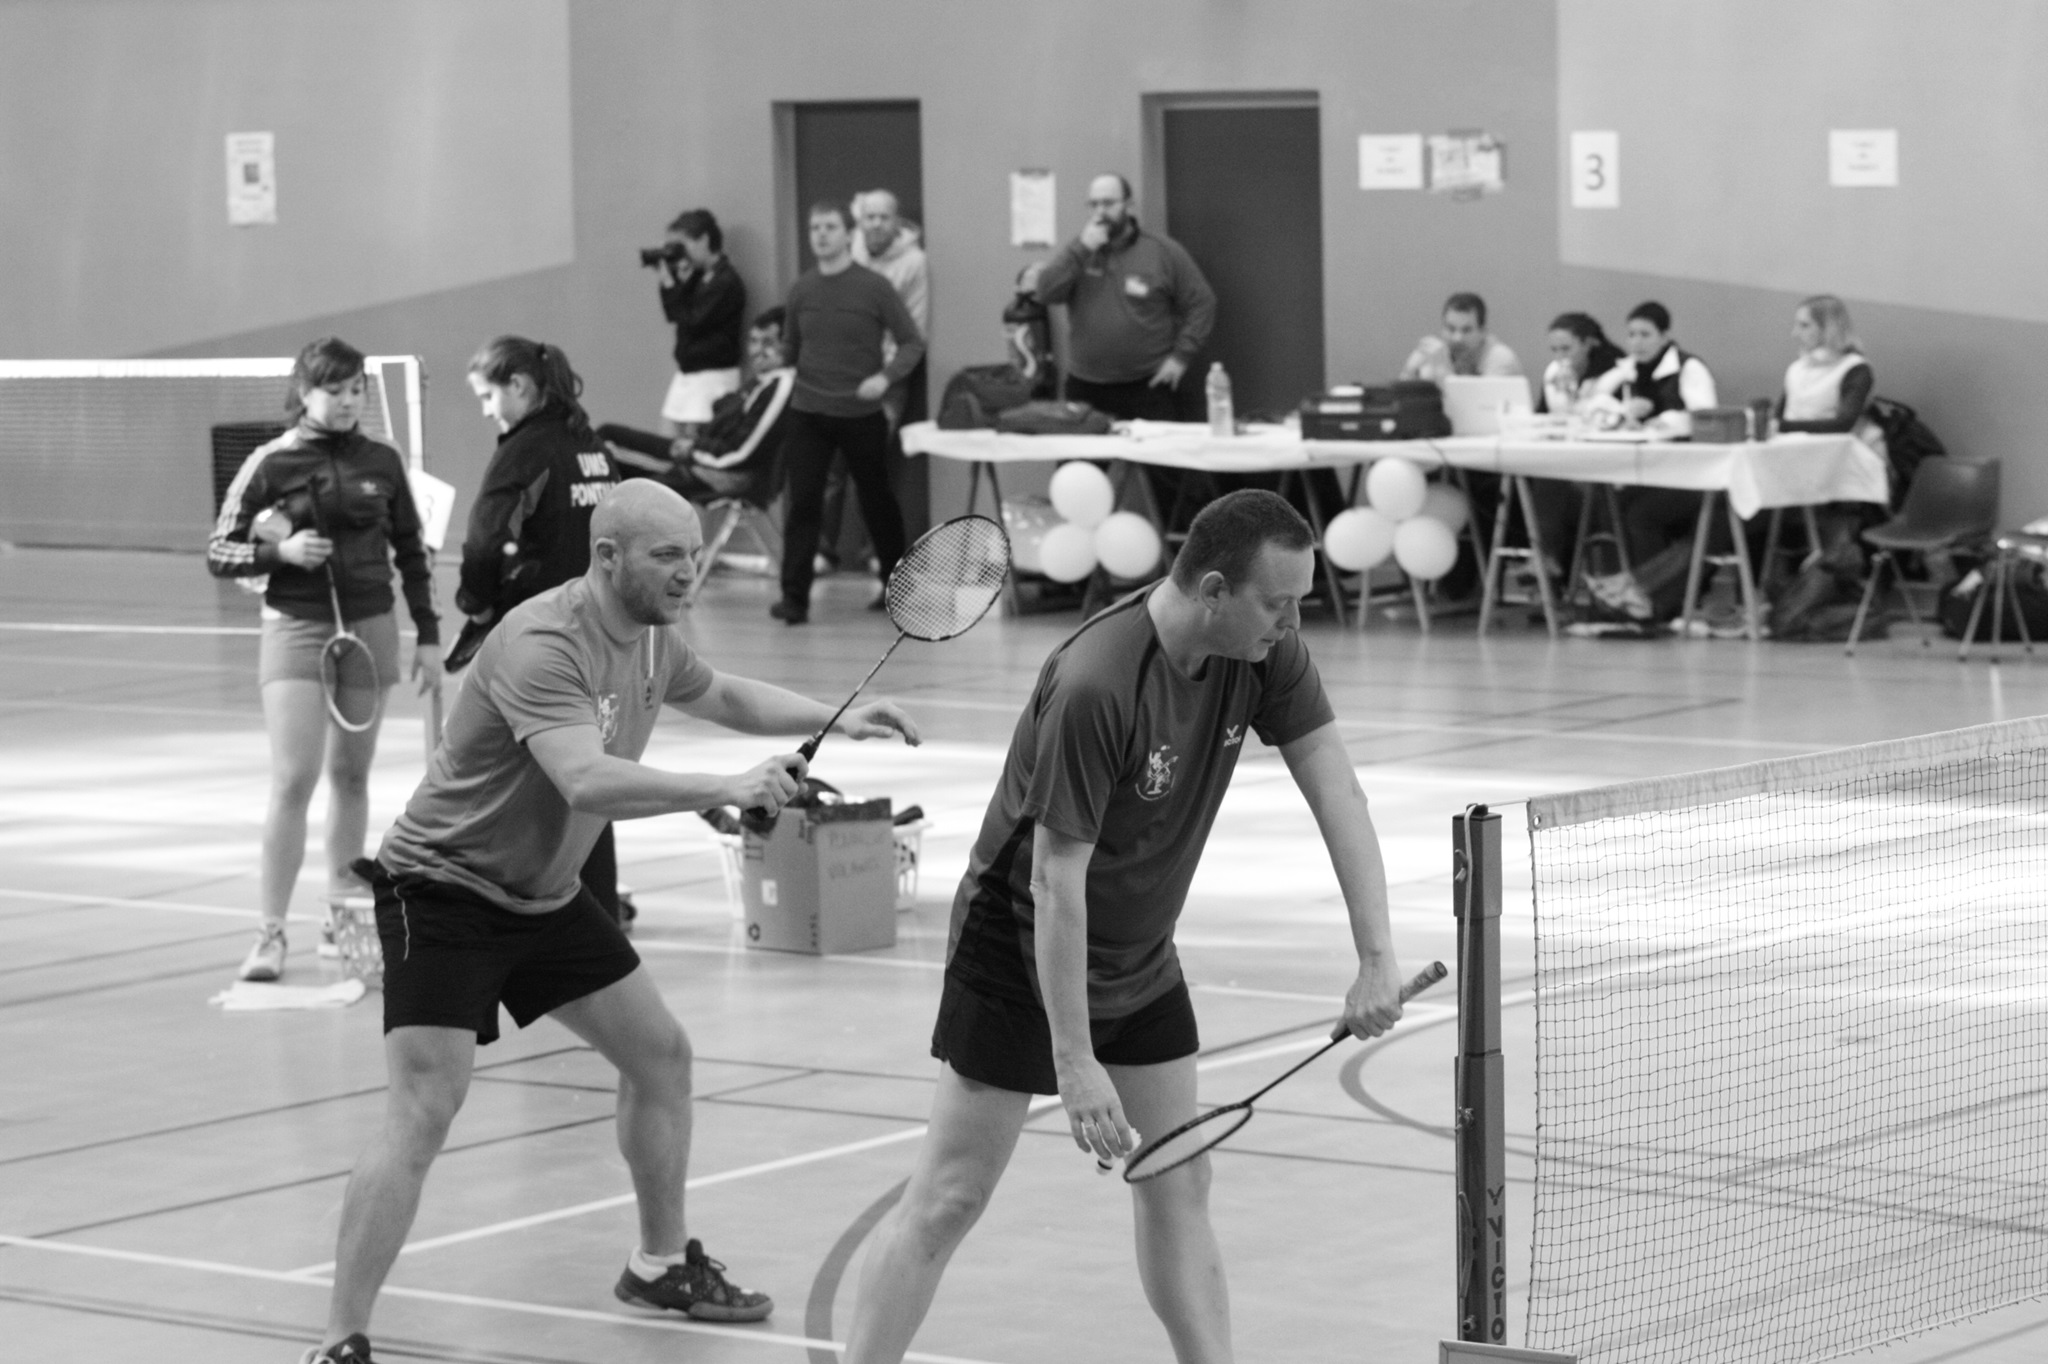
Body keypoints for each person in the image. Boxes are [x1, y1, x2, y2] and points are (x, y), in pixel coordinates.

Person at [299, 481, 922, 1364]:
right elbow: (585, 779)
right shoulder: (543, 642)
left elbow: (723, 695)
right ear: (607, 557)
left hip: (544, 897)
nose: (689, 571)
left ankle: (659, 1264)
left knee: (660, 1057)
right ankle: (339, 1339)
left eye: (694, 553)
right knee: (425, 1107)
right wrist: (727, 786)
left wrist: (838, 718)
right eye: (667, 555)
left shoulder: (652, 636)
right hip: (445, 890)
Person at [840, 489, 1409, 1364]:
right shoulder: (1099, 682)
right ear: (1213, 591)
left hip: (1141, 954)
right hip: (1020, 948)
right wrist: (1075, 1061)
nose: (1293, 623)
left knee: (1178, 1175)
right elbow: (1055, 880)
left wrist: (1376, 955)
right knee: (951, 1197)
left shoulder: (1263, 653)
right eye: (1278, 603)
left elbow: (1336, 783)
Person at [208, 337, 442, 982]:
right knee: (294, 778)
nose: (347, 401)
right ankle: (271, 933)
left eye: (356, 389)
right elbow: (220, 549)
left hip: (369, 627)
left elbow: (412, 552)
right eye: (334, 390)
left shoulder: (382, 461)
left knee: (352, 776)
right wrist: (278, 554)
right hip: (296, 628)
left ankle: (341, 920)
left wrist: (427, 633)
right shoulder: (270, 462)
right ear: (304, 393)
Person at [448, 336, 634, 925]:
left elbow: (483, 540)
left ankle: (536, 914)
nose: (487, 412)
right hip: (606, 637)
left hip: (543, 642)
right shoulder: (593, 446)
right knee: (587, 779)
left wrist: (476, 606)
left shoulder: (524, 451)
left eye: (488, 397)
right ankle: (597, 915)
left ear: (520, 386)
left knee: (520, 778)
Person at [776, 200, 925, 625]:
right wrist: (776, 362)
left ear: (848, 235)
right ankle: (794, 599)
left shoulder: (874, 287)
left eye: (829, 227)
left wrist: (885, 378)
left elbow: (911, 342)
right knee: (804, 503)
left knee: (877, 501)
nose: (821, 234)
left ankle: (899, 590)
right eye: (815, 228)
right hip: (809, 410)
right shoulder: (802, 289)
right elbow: (791, 347)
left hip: (861, 413)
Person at [1035, 174, 1216, 422]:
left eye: (1108, 203)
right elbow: (1045, 292)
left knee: (1160, 448)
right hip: (1086, 387)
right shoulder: (1078, 251)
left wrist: (1180, 358)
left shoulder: (1162, 251)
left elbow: (1202, 303)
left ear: (1129, 205)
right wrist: (1082, 248)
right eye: (1093, 204)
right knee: (1079, 451)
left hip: (1147, 386)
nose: (1100, 212)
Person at [820, 189, 931, 574]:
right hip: (838, 379)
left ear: (897, 222)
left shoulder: (914, 263)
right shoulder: (848, 252)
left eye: (884, 217)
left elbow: (914, 335)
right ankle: (823, 551)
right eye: (870, 217)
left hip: (884, 382)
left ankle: (878, 555)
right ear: (860, 221)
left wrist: (884, 376)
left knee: (869, 469)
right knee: (830, 468)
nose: (877, 224)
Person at [654, 208, 747, 442]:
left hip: (713, 375)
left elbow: (693, 320)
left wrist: (673, 284)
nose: (679, 253)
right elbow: (673, 314)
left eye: (682, 245)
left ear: (704, 240)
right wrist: (670, 282)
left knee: (694, 443)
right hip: (687, 372)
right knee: (667, 439)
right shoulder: (697, 278)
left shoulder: (726, 281)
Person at [1593, 300, 1718, 438]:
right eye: (1631, 334)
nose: (1636, 342)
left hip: (1680, 446)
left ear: (1664, 337)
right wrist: (1623, 415)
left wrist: (1669, 422)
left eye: (1645, 335)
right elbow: (1594, 407)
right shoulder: (1625, 370)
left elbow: (1705, 417)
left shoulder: (1689, 367)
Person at [1776, 294, 1873, 434]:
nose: (1795, 333)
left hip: (1833, 446)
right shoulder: (1796, 368)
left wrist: (1780, 427)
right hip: (1790, 443)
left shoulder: (1855, 368)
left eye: (1804, 325)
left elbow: (1843, 424)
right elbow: (1778, 417)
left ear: (1829, 328)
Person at [1401, 292, 1523, 382]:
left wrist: (1442, 371)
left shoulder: (1501, 359)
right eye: (1451, 329)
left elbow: (1479, 406)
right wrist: (1410, 372)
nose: (1457, 338)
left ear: (1483, 332)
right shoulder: (1435, 353)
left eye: (1466, 330)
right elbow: (1400, 402)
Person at [1537, 312, 1625, 416]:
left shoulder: (1618, 373)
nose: (1559, 356)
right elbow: (1541, 413)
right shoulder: (1554, 372)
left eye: (1566, 348)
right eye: (1554, 349)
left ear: (1587, 343)